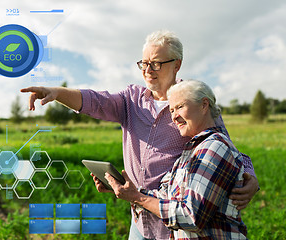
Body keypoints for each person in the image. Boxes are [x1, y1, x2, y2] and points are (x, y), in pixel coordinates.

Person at [20, 30, 258, 240]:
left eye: (155, 63)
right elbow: (95, 101)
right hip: (139, 222)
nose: (147, 70)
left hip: (176, 227)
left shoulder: (193, 103)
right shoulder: (130, 99)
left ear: (177, 64)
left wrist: (250, 176)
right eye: (143, 63)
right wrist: (56, 92)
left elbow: (225, 147)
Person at [105, 80, 247, 239]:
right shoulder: (191, 150)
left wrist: (137, 198)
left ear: (204, 105)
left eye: (179, 107)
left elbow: (191, 216)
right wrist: (124, 189)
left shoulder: (214, 148)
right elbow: (168, 197)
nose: (174, 117)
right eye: (171, 110)